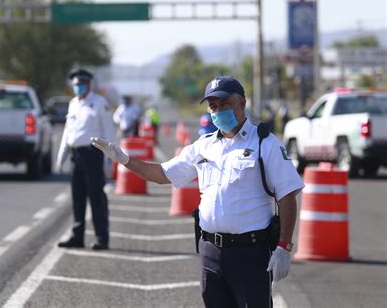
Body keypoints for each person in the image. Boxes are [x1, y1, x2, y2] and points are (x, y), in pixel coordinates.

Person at [91, 76, 304, 307]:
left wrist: (284, 247)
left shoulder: (265, 143)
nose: (218, 111)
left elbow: (287, 195)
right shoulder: (204, 145)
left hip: (250, 253)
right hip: (210, 252)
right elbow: (163, 174)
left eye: (225, 104)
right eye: (213, 106)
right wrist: (123, 159)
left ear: (242, 103)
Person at [56, 68, 115, 251]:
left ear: (89, 84)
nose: (78, 87)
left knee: (96, 197)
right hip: (76, 156)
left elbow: (108, 131)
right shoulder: (73, 103)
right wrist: (62, 154)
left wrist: (109, 159)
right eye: (76, 85)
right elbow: (68, 130)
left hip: (93, 155)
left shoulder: (99, 103)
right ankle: (77, 236)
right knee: (77, 197)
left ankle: (101, 238)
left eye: (81, 84)